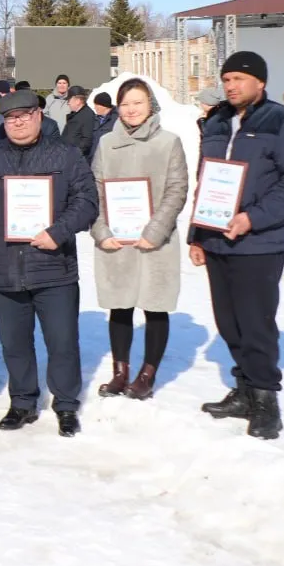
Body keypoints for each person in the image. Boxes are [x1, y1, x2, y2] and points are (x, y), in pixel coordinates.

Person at [0, 90, 98, 437]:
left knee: (62, 342)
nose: (18, 122)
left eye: (24, 115)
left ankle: (65, 404)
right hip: (5, 269)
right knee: (15, 344)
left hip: (53, 267)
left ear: (38, 115)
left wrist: (58, 231)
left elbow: (87, 201)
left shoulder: (66, 155)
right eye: (10, 117)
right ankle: (22, 402)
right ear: (3, 121)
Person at [190, 51, 284, 440]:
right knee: (228, 322)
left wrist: (251, 218)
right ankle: (243, 391)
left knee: (255, 323)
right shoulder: (217, 121)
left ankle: (265, 400)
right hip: (217, 240)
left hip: (258, 242)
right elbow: (205, 180)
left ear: (260, 82)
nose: (231, 86)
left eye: (239, 79)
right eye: (226, 79)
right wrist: (197, 234)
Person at [89, 79, 189, 400]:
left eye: (138, 103)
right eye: (126, 104)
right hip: (117, 242)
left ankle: (147, 374)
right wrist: (102, 232)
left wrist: (154, 231)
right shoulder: (106, 144)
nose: (132, 110)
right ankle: (121, 372)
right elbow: (95, 189)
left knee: (154, 306)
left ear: (150, 106)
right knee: (120, 306)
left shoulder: (168, 142)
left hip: (155, 243)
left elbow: (177, 189)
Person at [61, 86, 96, 158]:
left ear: (77, 101)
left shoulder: (87, 115)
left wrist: (73, 153)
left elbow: (86, 140)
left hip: (77, 159)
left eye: (69, 100)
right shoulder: (76, 114)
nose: (68, 103)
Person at [89, 91, 118, 162]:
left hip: (108, 160)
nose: (94, 107)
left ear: (102, 106)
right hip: (92, 159)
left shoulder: (117, 120)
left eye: (96, 105)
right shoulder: (94, 119)